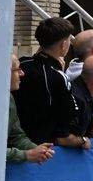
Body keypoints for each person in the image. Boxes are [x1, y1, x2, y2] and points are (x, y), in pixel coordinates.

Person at [16, 17, 78, 146]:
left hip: (16, 136)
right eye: (68, 40)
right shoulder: (57, 76)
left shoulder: (21, 63)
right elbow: (69, 114)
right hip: (42, 144)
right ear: (63, 44)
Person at [6, 54, 54, 164]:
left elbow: (17, 136)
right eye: (17, 70)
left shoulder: (9, 98)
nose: (22, 73)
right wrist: (26, 155)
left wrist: (38, 150)